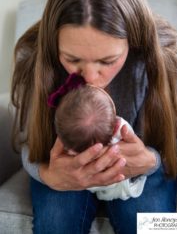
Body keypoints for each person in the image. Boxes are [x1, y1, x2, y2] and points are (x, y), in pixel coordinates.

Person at [11, 0, 177, 234]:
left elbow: (169, 147)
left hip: (143, 172)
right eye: (72, 59)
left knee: (159, 227)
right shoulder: (33, 56)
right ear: (53, 45)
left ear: (133, 42)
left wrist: (149, 162)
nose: (91, 77)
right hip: (59, 166)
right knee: (56, 223)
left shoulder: (163, 57)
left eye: (108, 60)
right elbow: (29, 144)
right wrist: (48, 174)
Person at [49, 72, 147, 200]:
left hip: (88, 183)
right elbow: (133, 145)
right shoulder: (121, 128)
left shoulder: (71, 147)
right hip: (122, 184)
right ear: (116, 126)